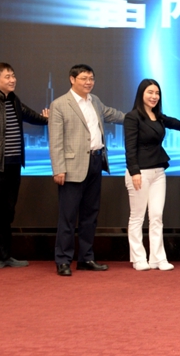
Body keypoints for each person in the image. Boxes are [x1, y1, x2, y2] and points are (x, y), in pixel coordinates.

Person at [0, 63, 48, 274]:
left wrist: (48, 119)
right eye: (7, 76)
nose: (12, 80)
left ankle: (4, 257)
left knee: (7, 213)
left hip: (14, 166)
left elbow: (32, 116)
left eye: (13, 75)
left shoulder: (14, 100)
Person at [48, 64, 126, 276]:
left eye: (91, 78)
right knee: (68, 216)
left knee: (90, 215)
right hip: (71, 167)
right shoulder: (60, 104)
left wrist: (139, 116)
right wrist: (58, 169)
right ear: (72, 79)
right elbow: (55, 141)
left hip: (96, 162)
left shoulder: (95, 101)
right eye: (84, 78)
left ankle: (86, 258)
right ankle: (63, 260)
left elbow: (113, 114)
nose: (89, 82)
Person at [123, 78, 180, 272]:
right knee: (137, 217)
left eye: (157, 93)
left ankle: (158, 258)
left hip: (158, 172)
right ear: (141, 94)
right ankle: (138, 258)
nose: (154, 96)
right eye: (150, 92)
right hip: (139, 173)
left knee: (157, 216)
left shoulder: (159, 117)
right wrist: (134, 171)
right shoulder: (132, 117)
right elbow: (130, 147)